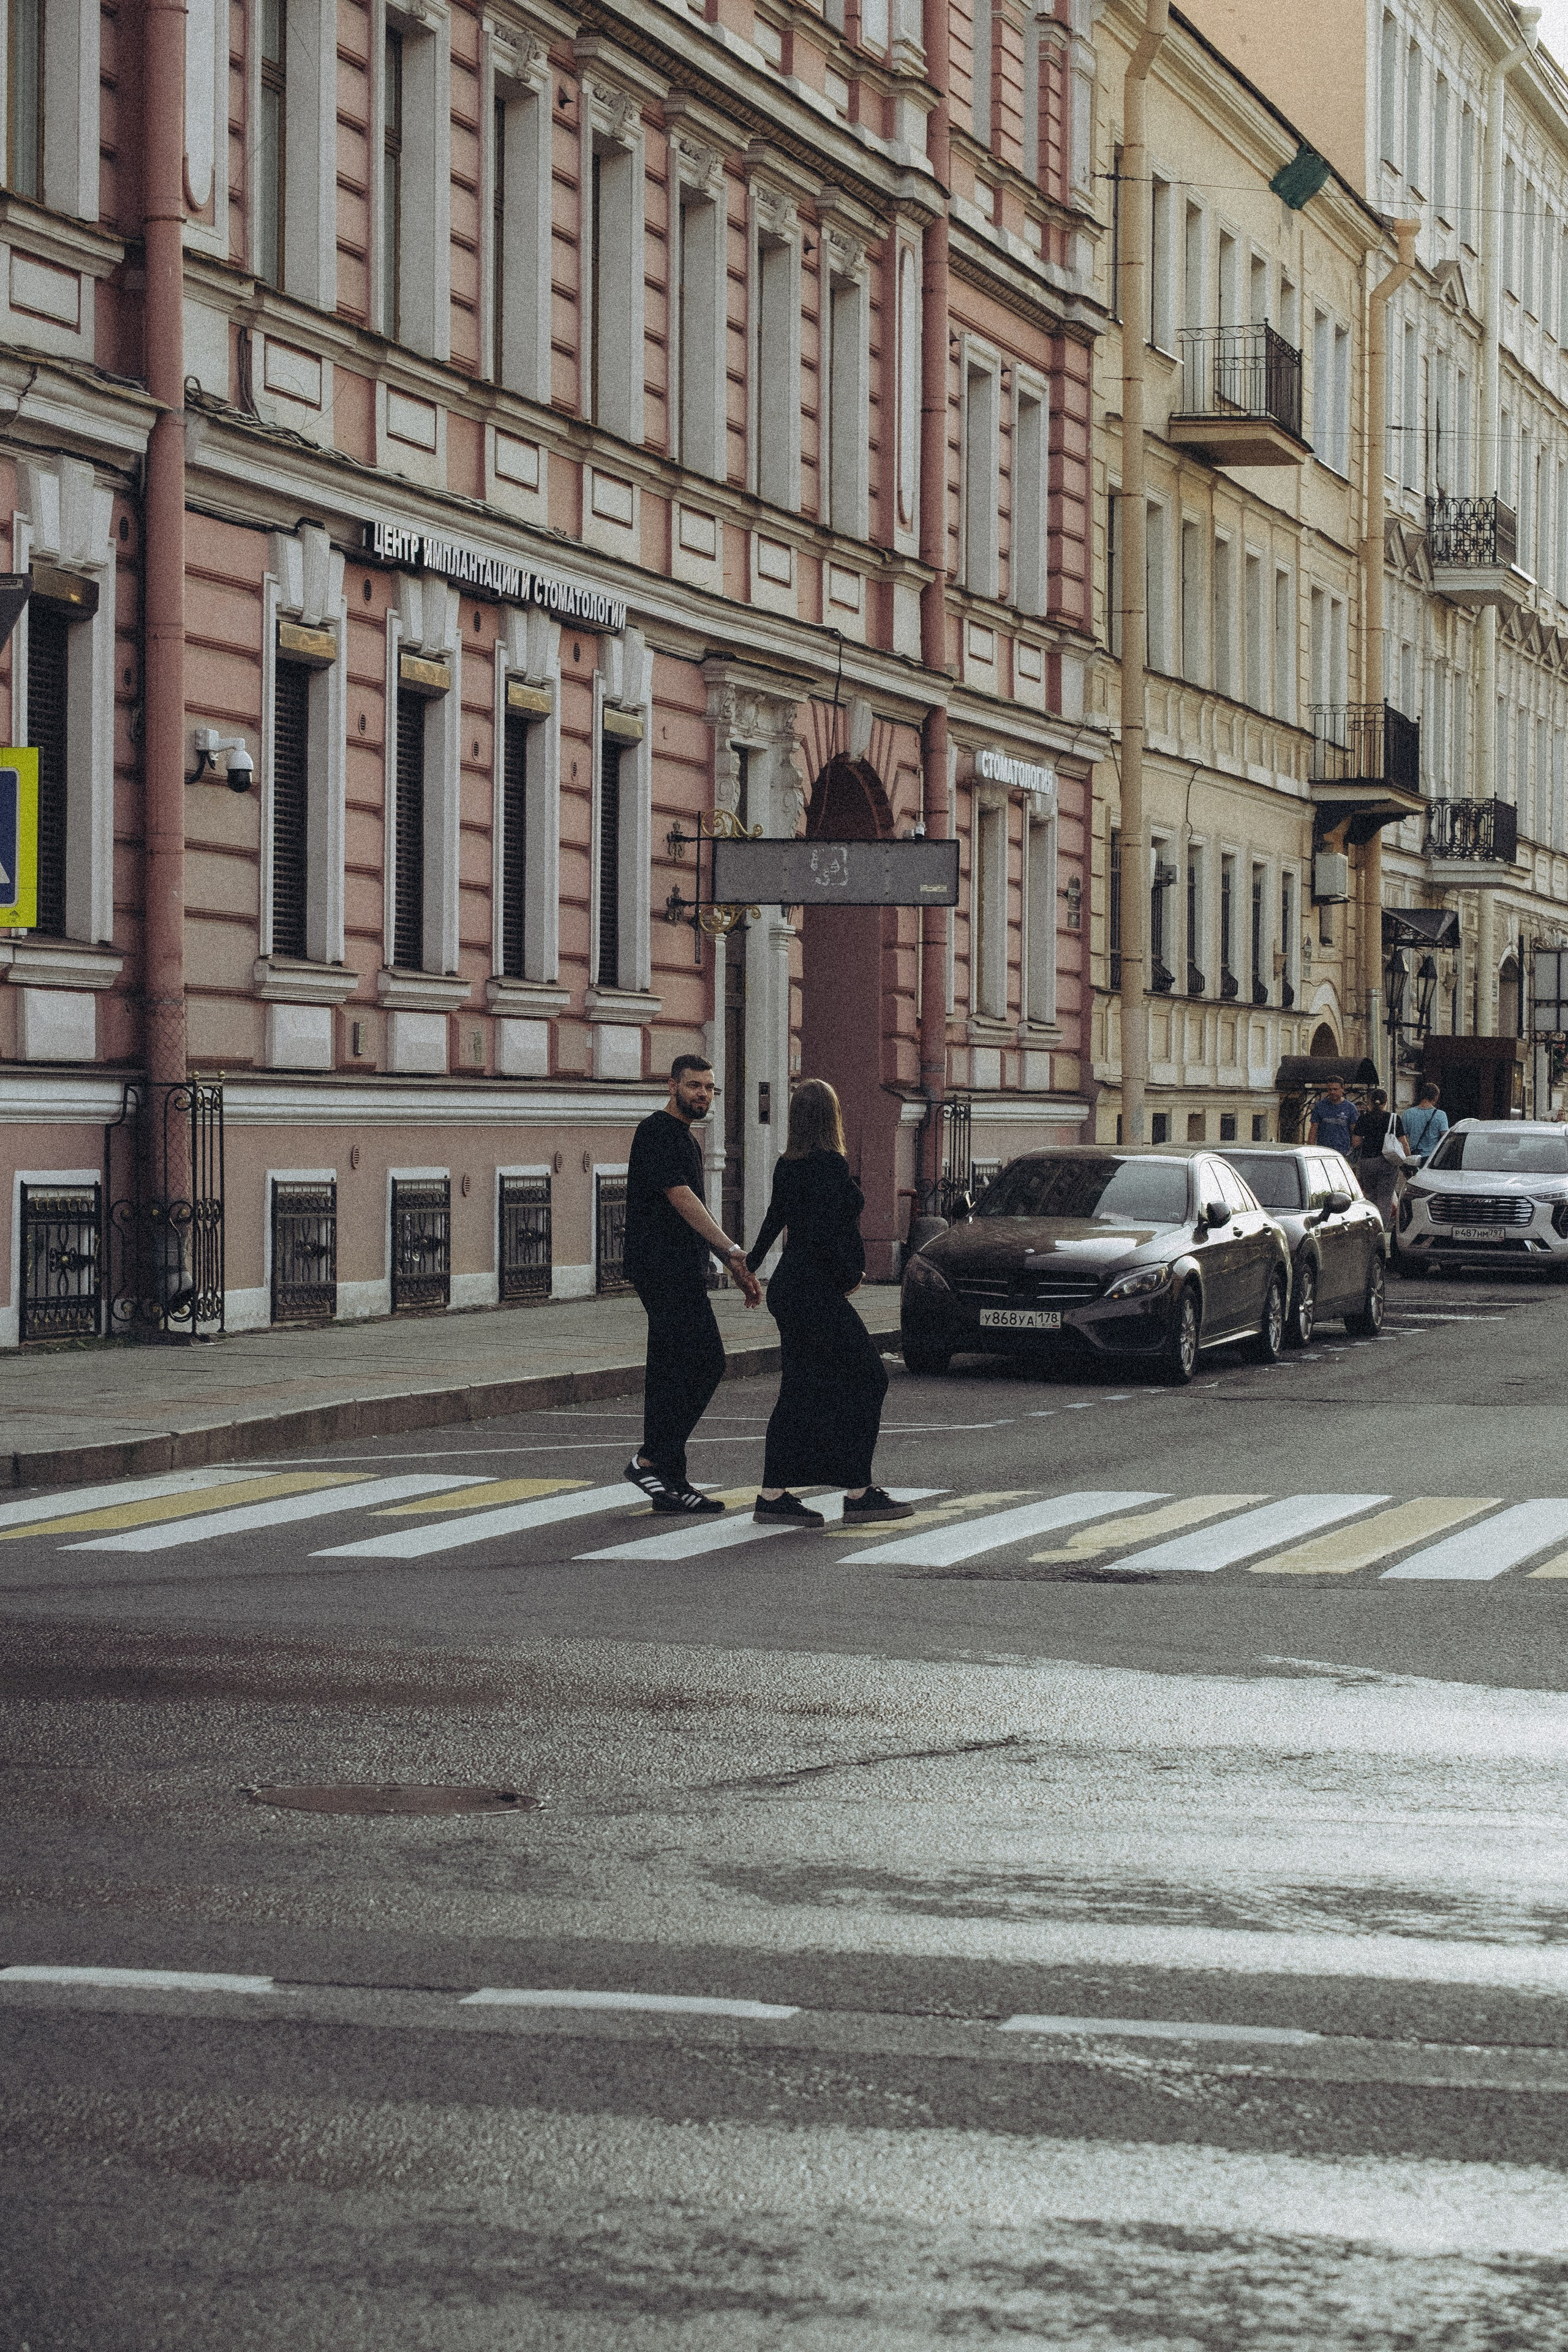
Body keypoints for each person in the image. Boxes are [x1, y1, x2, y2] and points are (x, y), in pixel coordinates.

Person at [744, 1078, 913, 1528]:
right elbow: (836, 1236)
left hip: (789, 1289)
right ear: (831, 1117)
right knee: (868, 1378)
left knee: (799, 1389)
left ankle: (774, 1494)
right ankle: (858, 1492)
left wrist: (749, 1267)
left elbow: (774, 1220)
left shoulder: (788, 1165)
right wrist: (851, 1277)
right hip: (817, 1291)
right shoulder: (832, 1165)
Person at [624, 1054, 761, 1515]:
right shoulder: (657, 1132)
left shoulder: (686, 1138)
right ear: (672, 1086)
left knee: (669, 1371)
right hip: (660, 1268)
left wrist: (727, 1265)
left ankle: (670, 1483)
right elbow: (682, 1199)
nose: (703, 1094)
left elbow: (692, 1207)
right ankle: (652, 1459)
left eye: (709, 1088)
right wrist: (730, 1251)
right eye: (694, 1086)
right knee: (707, 1362)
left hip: (679, 1267)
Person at [1351, 1087, 1408, 1231]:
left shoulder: (1363, 1118)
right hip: (1387, 1162)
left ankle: (1369, 1227)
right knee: (1385, 1198)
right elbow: (1403, 1142)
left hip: (1367, 1162)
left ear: (1370, 1103)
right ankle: (1380, 1229)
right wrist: (1408, 1162)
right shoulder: (1394, 1119)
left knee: (1369, 1196)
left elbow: (1356, 1143)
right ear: (1386, 1102)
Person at [1307, 1075, 1359, 1159]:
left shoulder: (1350, 1108)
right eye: (1330, 1090)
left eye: (1335, 1089)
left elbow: (1354, 1132)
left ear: (1342, 1089)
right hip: (1323, 1152)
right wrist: (1311, 1150)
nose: (1332, 1092)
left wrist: (1353, 1152)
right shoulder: (1320, 1106)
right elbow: (1313, 1130)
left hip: (1343, 1153)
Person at [1402, 1082, 1449, 1165]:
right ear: (1436, 1097)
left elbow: (1403, 1139)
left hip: (1414, 1157)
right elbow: (1445, 1138)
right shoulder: (1441, 1115)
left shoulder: (1408, 1113)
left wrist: (1407, 1158)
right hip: (1432, 1158)